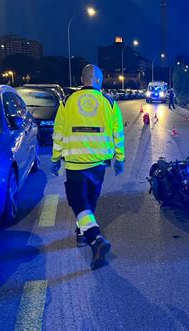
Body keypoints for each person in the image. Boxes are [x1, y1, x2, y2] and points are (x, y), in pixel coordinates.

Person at [51, 64, 125, 270]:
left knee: (79, 201)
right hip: (98, 163)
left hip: (75, 162)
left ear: (81, 79)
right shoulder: (109, 102)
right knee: (89, 199)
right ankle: (83, 235)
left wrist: (55, 158)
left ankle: (92, 237)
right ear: (99, 80)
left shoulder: (67, 101)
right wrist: (120, 159)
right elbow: (117, 133)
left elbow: (58, 133)